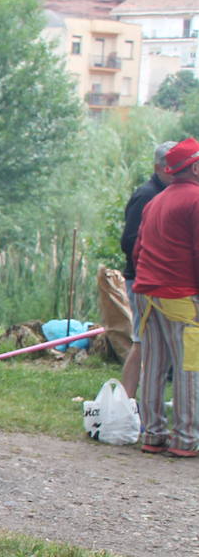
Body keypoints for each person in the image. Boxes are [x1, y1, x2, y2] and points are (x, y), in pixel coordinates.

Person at [132, 136, 199, 459]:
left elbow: (137, 250)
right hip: (180, 295)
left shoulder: (155, 201)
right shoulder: (196, 200)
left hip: (147, 292)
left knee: (154, 365)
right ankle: (185, 439)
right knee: (189, 367)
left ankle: (152, 433)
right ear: (195, 167)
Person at [120, 141, 177, 399]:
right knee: (141, 341)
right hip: (141, 280)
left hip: (155, 281)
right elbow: (129, 241)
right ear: (158, 168)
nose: (176, 173)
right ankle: (127, 398)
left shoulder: (167, 194)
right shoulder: (147, 195)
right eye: (171, 168)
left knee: (150, 342)